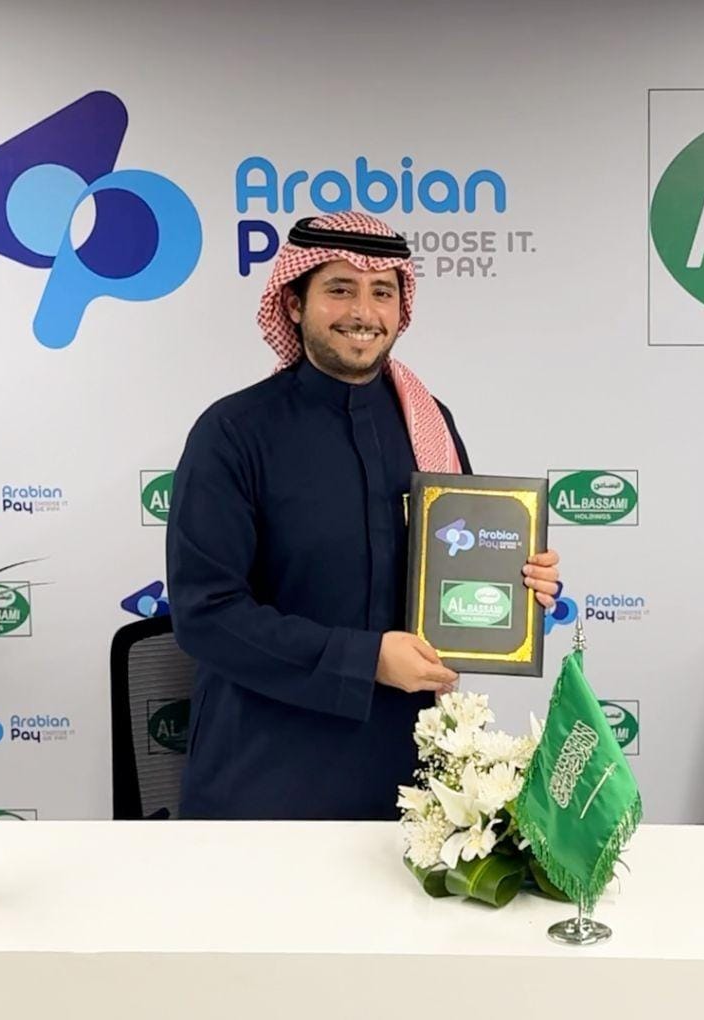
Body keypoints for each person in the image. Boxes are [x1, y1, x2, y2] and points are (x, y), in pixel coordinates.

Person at [167, 211, 560, 820]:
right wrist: (366, 660)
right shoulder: (234, 433)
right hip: (264, 776)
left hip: (415, 782)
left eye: (382, 292)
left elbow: (461, 561)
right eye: (340, 289)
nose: (363, 312)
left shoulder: (428, 423)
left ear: (402, 308)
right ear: (293, 304)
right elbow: (206, 615)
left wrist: (517, 580)